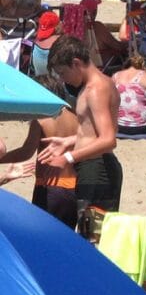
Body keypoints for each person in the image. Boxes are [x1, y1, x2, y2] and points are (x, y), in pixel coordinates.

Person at [38, 36, 122, 213]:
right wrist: (69, 141)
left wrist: (67, 158)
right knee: (88, 226)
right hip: (95, 168)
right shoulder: (98, 84)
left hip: (97, 169)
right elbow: (100, 131)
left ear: (76, 63)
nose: (63, 80)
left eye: (63, 73)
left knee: (91, 227)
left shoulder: (96, 89)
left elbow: (109, 140)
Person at [0, 74, 81, 227]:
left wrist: (1, 158)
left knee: (42, 231)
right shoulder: (75, 116)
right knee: (65, 233)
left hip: (49, 186)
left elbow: (26, 152)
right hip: (73, 186)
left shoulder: (41, 119)